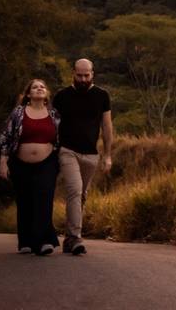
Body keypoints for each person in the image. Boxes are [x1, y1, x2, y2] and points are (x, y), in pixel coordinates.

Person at [53, 58, 113, 255]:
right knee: (75, 191)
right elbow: (52, 125)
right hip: (67, 150)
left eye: (86, 75)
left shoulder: (102, 96)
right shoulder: (62, 96)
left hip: (91, 154)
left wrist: (107, 155)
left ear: (92, 74)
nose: (83, 79)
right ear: (73, 73)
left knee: (82, 195)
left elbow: (106, 126)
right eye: (79, 75)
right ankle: (75, 236)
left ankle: (69, 238)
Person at [0, 79, 61, 256]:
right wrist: (3, 162)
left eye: (42, 87)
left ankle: (44, 242)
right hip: (20, 164)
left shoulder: (54, 114)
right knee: (24, 201)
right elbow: (6, 136)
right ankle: (25, 241)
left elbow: (60, 139)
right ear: (28, 94)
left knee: (44, 199)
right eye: (35, 87)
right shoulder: (18, 113)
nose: (39, 89)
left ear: (47, 93)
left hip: (47, 163)